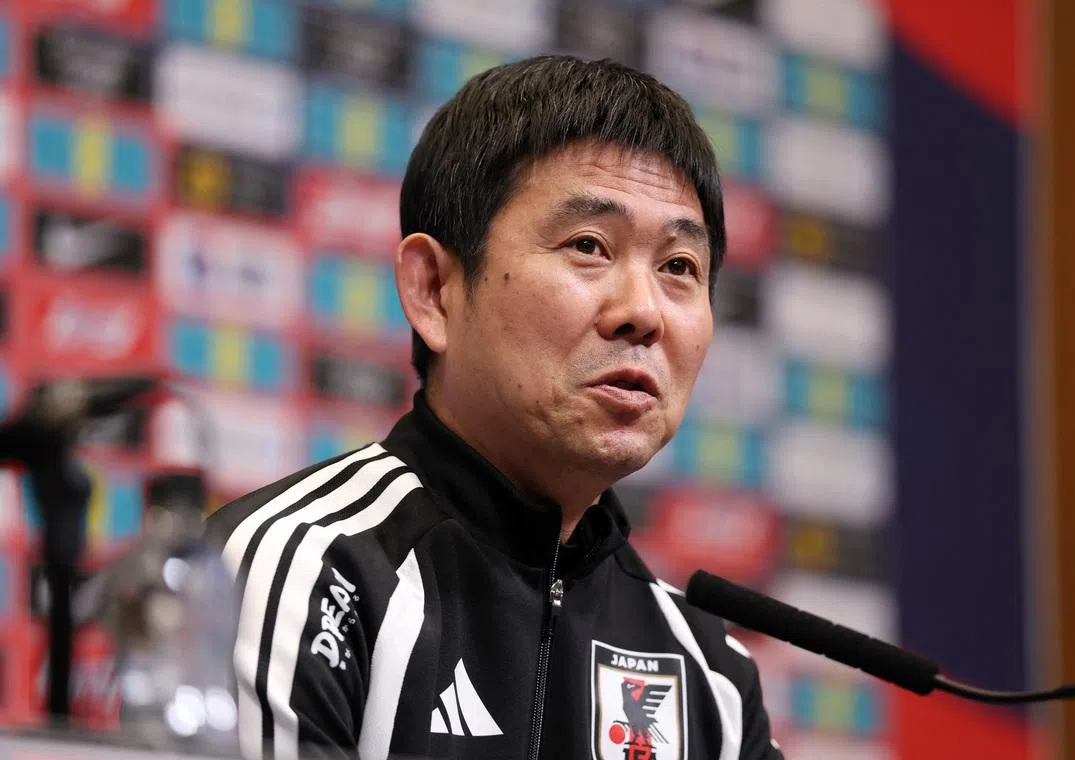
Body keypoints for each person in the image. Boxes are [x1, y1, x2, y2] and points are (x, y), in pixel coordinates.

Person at [206, 55, 784, 760]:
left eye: (678, 267)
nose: (643, 311)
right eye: (589, 246)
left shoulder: (713, 681)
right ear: (434, 291)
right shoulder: (298, 575)